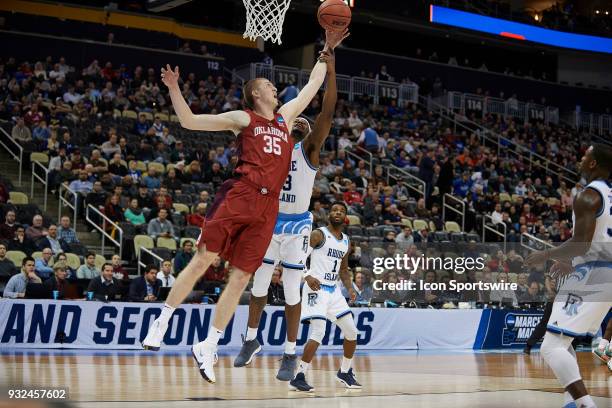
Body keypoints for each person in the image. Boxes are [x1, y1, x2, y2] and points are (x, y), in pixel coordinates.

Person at [142, 30, 347, 387]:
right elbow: (190, 121)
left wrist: (327, 50)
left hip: (268, 209)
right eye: (268, 85)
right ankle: (162, 321)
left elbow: (314, 84)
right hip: (240, 193)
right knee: (204, 258)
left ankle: (209, 344)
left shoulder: (285, 118)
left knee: (241, 278)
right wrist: (174, 88)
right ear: (256, 93)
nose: (274, 88)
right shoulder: (244, 117)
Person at [234, 44, 341, 381]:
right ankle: (251, 340)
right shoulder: (274, 140)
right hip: (268, 218)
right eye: (299, 120)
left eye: (306, 122)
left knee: (292, 290)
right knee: (260, 283)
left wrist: (330, 69)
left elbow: (326, 108)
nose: (303, 123)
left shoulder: (310, 148)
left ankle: (290, 355)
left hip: (296, 225)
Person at [525, 144, 612, 408]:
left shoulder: (588, 196)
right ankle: (570, 403)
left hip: (595, 273)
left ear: (594, 163)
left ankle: (585, 404)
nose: (581, 159)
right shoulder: (609, 195)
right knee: (562, 340)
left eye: (585, 155)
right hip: (603, 272)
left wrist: (545, 255)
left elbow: (581, 244)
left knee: (550, 348)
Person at [289, 202, 361, 391]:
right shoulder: (318, 234)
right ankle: (299, 376)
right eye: (334, 210)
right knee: (318, 332)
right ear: (329, 214)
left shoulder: (346, 240)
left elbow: (344, 270)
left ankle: (344, 372)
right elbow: (298, 255)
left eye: (341, 211)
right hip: (316, 288)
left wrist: (350, 288)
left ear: (345, 217)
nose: (337, 212)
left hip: (334, 291)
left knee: (352, 332)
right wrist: (307, 276)